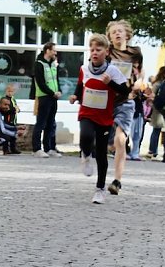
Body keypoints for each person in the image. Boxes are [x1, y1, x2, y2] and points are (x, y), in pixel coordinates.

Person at [70, 34, 129, 204]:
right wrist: (75, 96)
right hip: (87, 113)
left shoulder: (113, 71)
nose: (95, 53)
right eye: (92, 49)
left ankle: (100, 189)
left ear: (106, 52)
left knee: (102, 154)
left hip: (104, 117)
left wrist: (110, 83)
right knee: (86, 136)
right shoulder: (84, 69)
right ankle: (86, 155)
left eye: (98, 49)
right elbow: (80, 87)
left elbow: (125, 91)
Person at [106, 20, 143, 193]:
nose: (117, 34)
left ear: (127, 34)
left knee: (120, 140)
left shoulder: (135, 53)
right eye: (114, 32)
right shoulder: (106, 52)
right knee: (104, 141)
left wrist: (140, 82)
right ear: (109, 36)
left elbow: (140, 73)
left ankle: (117, 181)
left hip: (126, 100)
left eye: (120, 31)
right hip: (105, 100)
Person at [32, 42, 61, 158]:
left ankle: (48, 148)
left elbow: (56, 79)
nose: (55, 53)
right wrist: (52, 93)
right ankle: (36, 149)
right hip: (44, 97)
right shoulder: (39, 64)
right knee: (41, 123)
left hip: (54, 97)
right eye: (54, 50)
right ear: (47, 50)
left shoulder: (53, 64)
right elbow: (41, 83)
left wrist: (59, 91)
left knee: (50, 123)